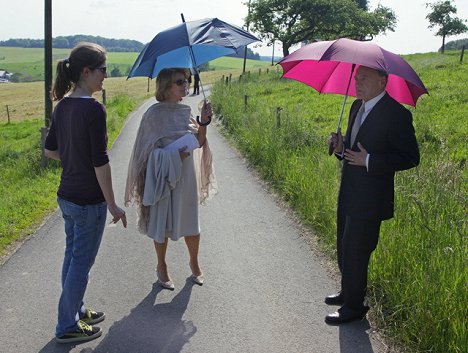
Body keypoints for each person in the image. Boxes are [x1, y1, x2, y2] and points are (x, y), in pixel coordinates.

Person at [44, 42, 127, 343]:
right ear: (86, 71)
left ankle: (75, 310)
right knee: (81, 262)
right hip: (88, 201)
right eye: (103, 70)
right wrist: (113, 204)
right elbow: (100, 161)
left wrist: (73, 154)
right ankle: (66, 325)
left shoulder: (62, 105)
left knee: (72, 257)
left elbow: (51, 150)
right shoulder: (93, 109)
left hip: (66, 196)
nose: (106, 75)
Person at [326, 65, 420, 325]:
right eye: (357, 78)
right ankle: (348, 292)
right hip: (349, 190)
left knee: (357, 250)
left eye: (364, 78)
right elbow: (352, 151)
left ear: (383, 82)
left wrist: (370, 160)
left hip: (371, 198)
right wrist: (340, 147)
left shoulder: (396, 114)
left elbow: (411, 158)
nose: (357, 82)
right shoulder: (356, 106)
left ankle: (355, 307)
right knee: (344, 244)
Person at [124, 68, 217, 291]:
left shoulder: (185, 112)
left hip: (185, 176)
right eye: (179, 82)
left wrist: (203, 122)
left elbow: (199, 142)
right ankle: (161, 266)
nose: (185, 85)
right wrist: (173, 156)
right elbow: (145, 152)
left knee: (191, 222)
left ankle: (194, 262)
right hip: (162, 178)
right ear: (166, 87)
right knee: (161, 222)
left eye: (186, 80)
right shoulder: (153, 115)